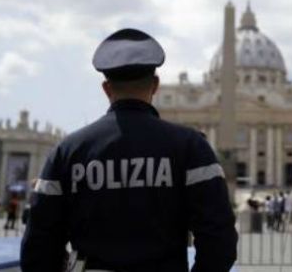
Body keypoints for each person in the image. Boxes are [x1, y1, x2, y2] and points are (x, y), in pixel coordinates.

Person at [21, 28, 238, 272]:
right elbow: (220, 243)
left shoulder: (67, 151)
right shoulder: (191, 147)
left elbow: (38, 247)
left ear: (106, 88)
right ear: (155, 86)